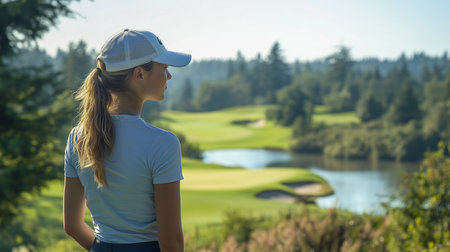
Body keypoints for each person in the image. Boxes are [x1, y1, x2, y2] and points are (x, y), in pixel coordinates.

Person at [63, 29, 191, 252]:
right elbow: (171, 243)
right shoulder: (163, 143)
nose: (168, 76)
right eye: (164, 68)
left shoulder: (78, 136)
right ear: (139, 74)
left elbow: (72, 226)